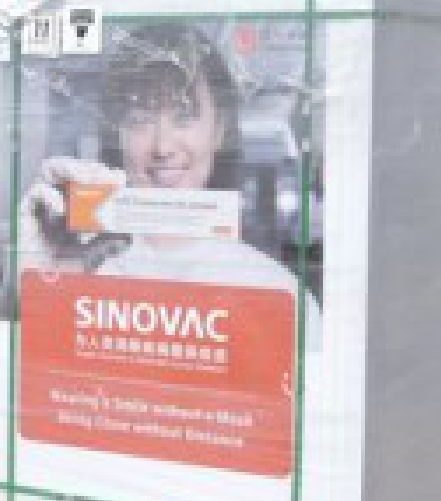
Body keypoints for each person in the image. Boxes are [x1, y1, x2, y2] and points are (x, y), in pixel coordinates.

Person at [18, 23, 313, 310]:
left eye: (183, 116)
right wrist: (41, 279)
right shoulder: (79, 273)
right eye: (139, 120)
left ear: (219, 128)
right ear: (115, 134)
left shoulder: (275, 292)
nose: (163, 147)